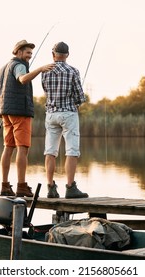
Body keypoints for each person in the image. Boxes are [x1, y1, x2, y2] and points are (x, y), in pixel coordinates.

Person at [0, 40, 54, 197]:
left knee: (8, 147)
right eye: (27, 53)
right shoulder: (19, 65)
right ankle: (21, 186)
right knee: (23, 148)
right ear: (19, 52)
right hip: (20, 112)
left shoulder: (4, 68)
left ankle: (5, 185)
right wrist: (40, 69)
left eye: (30, 54)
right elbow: (22, 79)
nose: (29, 56)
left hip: (6, 112)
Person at [41, 42, 89, 199]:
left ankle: (50, 188)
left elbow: (46, 91)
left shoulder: (45, 72)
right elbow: (80, 96)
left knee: (50, 151)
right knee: (72, 151)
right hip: (69, 114)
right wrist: (77, 102)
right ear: (67, 55)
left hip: (51, 114)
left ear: (53, 54)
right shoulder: (73, 71)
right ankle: (70, 187)